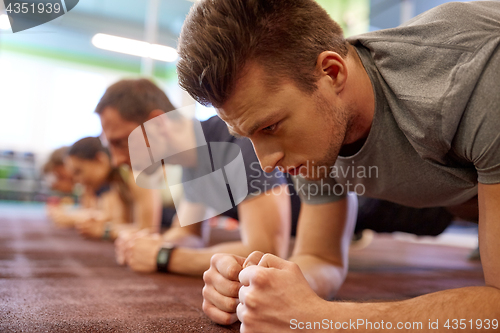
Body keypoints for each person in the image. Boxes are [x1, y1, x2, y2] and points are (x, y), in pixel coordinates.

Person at [176, 0, 500, 331]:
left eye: (270, 127)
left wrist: (321, 318)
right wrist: (259, 287)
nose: (266, 162)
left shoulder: (477, 78)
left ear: (332, 72)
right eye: (248, 136)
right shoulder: (316, 130)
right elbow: (321, 258)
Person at [95, 79, 294, 276]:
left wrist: (164, 256)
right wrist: (149, 244)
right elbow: (189, 234)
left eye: (120, 142)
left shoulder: (239, 140)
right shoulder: (192, 160)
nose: (116, 161)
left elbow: (266, 254)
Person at [64, 137, 134, 239]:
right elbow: (121, 221)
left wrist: (105, 231)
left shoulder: (133, 175)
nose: (77, 180)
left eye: (79, 171)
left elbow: (147, 231)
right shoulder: (117, 183)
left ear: (100, 159)